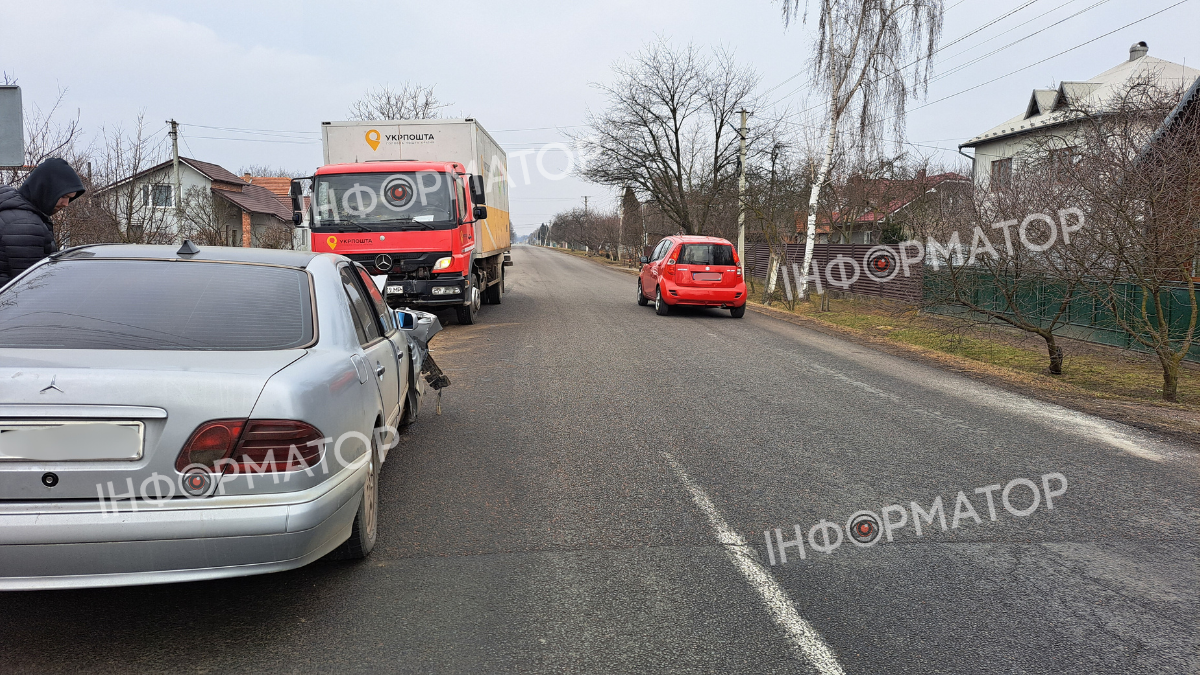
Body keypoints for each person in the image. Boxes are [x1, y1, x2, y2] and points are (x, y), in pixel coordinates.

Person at [0, 157, 86, 286]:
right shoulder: (26, 225)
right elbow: (31, 287)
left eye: (70, 198)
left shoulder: (12, 210)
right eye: (64, 196)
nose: (66, 204)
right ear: (45, 189)